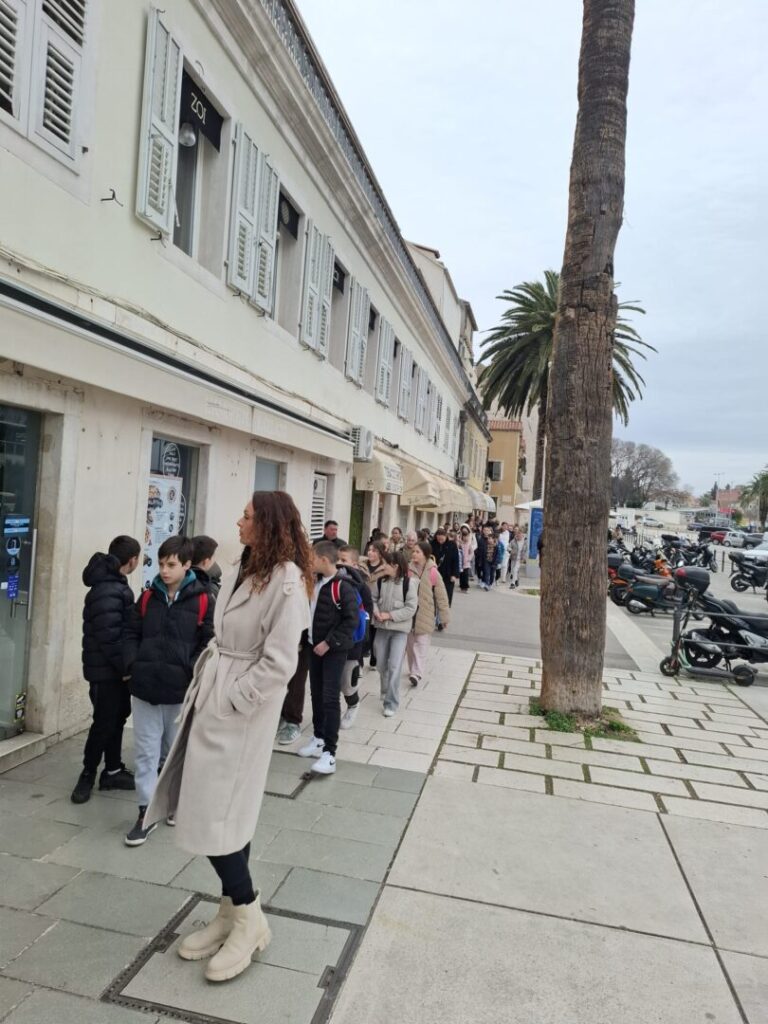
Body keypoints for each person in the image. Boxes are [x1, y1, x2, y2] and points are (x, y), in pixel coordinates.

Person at [144, 491, 312, 983]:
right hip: (216, 697)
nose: (239, 522)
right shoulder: (247, 566)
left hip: (239, 712)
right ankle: (230, 912)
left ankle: (249, 916)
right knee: (223, 814)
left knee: (217, 815)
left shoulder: (286, 580)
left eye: (247, 516)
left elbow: (281, 661)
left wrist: (235, 698)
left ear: (269, 524)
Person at [123, 535, 214, 845]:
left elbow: (209, 642)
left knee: (175, 752)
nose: (164, 570)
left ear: (187, 565)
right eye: (161, 564)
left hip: (180, 691)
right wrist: (133, 664)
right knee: (146, 752)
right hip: (145, 687)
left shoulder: (204, 600)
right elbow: (131, 632)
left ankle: (175, 804)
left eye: (171, 564)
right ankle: (146, 812)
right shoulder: (148, 597)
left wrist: (190, 670)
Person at [71, 535, 141, 805]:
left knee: (117, 718)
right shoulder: (109, 589)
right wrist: (126, 668)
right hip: (106, 672)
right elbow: (110, 637)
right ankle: (88, 773)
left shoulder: (113, 584)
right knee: (103, 723)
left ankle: (112, 770)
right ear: (132, 560)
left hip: (112, 670)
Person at [298, 540, 359, 774]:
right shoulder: (315, 582)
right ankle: (318, 738)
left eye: (312, 559)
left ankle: (330, 754)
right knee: (316, 694)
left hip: (333, 650)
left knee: (330, 698)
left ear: (323, 560)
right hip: (314, 648)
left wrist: (328, 642)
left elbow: (351, 621)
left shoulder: (342, 587)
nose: (309, 563)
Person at [372, 550, 418, 716]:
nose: (383, 566)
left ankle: (391, 703)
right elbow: (372, 599)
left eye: (385, 563)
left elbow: (411, 608)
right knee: (380, 664)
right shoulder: (380, 581)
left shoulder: (409, 584)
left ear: (395, 566)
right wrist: (376, 611)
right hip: (381, 629)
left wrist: (390, 615)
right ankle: (385, 689)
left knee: (394, 666)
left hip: (399, 631)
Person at [336, 545, 374, 729]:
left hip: (353, 643)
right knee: (330, 682)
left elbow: (366, 615)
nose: (339, 563)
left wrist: (363, 645)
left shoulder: (361, 587)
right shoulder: (330, 581)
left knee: (347, 680)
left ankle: (353, 704)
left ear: (355, 564)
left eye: (344, 560)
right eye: (338, 559)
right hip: (332, 640)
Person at [406, 541, 450, 687]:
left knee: (421, 645)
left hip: (426, 613)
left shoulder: (433, 572)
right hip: (409, 614)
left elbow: (441, 596)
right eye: (413, 551)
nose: (414, 554)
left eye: (417, 552)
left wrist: (444, 617)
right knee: (410, 646)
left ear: (425, 554)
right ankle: (412, 669)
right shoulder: (407, 569)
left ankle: (416, 673)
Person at [361, 540, 388, 668]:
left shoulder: (386, 568)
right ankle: (361, 659)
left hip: (378, 605)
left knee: (375, 633)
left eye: (374, 551)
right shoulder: (361, 565)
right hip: (362, 603)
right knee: (363, 632)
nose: (370, 553)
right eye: (369, 550)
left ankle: (374, 657)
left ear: (381, 553)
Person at [431, 527, 460, 606]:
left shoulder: (452, 545)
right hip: (435, 573)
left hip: (448, 573)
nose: (440, 541)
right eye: (438, 539)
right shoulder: (432, 544)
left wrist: (454, 574)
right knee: (434, 593)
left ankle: (445, 609)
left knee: (447, 593)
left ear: (446, 536)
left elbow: (456, 560)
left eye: (442, 539)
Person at [475, 525, 498, 591]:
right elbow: (481, 552)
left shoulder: (496, 546)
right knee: (486, 572)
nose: (489, 540)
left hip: (493, 562)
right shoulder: (482, 541)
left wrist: (496, 562)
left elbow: (497, 555)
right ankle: (486, 584)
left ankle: (490, 583)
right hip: (486, 561)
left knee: (492, 574)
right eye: (488, 539)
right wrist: (480, 560)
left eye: (490, 539)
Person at [457, 525, 475, 593]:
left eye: (467, 537)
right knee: (461, 575)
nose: (466, 538)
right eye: (464, 537)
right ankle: (462, 587)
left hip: (466, 563)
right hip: (460, 562)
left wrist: (469, 558)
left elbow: (472, 552)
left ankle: (466, 588)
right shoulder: (460, 544)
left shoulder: (469, 544)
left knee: (465, 576)